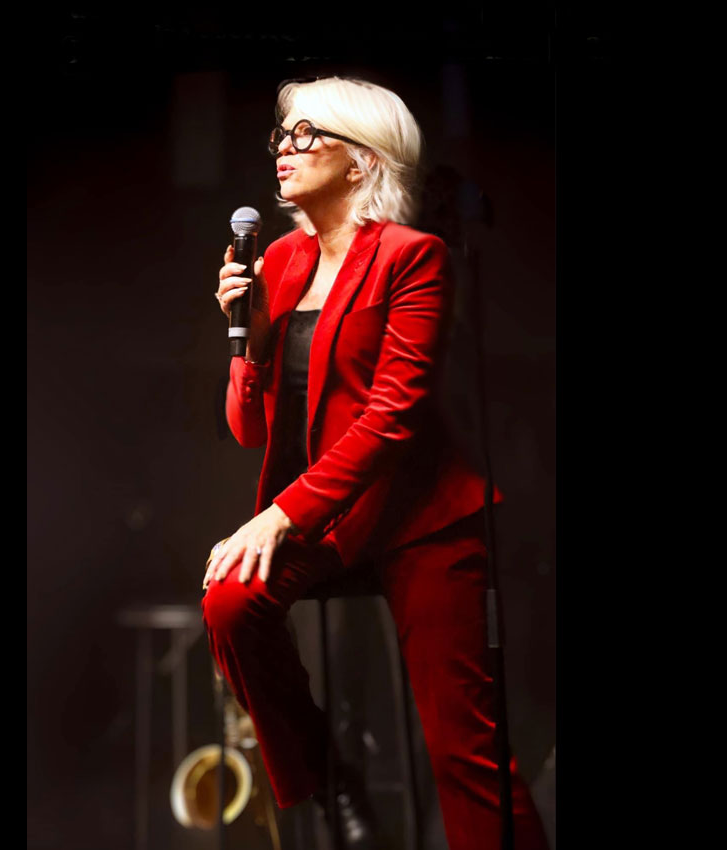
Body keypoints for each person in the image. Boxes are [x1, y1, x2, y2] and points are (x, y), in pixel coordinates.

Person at [201, 76, 547, 850]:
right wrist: (249, 340)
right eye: (282, 135)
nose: (284, 149)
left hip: (421, 517)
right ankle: (327, 778)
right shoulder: (281, 259)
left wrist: (280, 515)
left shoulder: (412, 257)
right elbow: (249, 430)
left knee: (465, 753)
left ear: (363, 160)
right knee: (230, 601)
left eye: (306, 134)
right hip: (332, 518)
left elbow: (392, 418)